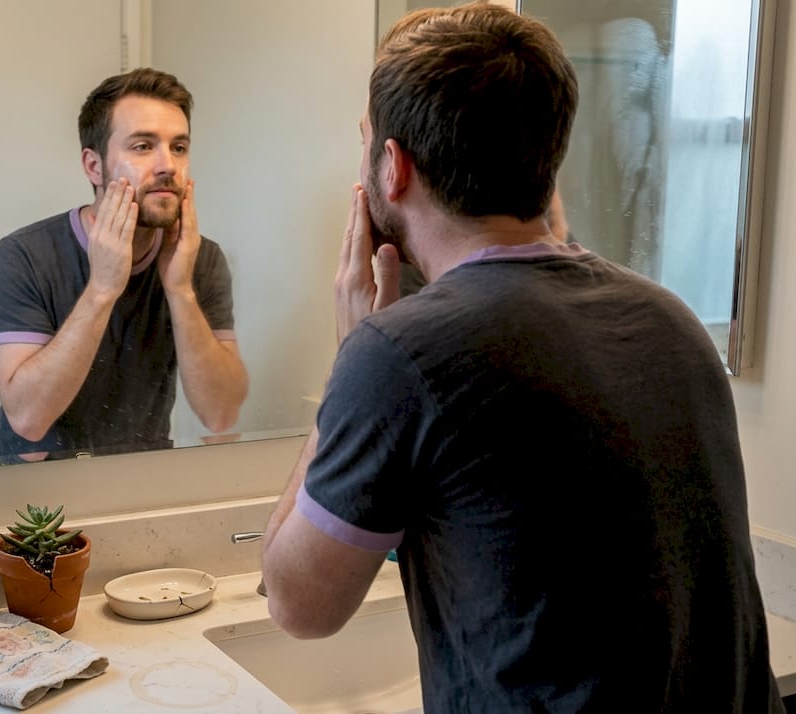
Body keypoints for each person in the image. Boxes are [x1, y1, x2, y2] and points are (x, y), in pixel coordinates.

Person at [261, 5, 783, 712]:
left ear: (392, 167)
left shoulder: (398, 354)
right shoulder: (671, 321)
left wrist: (352, 354)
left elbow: (298, 604)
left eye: (365, 141)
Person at [0, 68, 248, 462]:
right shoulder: (25, 254)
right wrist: (102, 289)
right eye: (143, 146)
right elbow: (27, 418)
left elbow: (221, 414)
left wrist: (180, 290)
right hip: (31, 504)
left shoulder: (200, 258)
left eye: (179, 147)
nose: (167, 166)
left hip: (139, 479)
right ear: (93, 167)